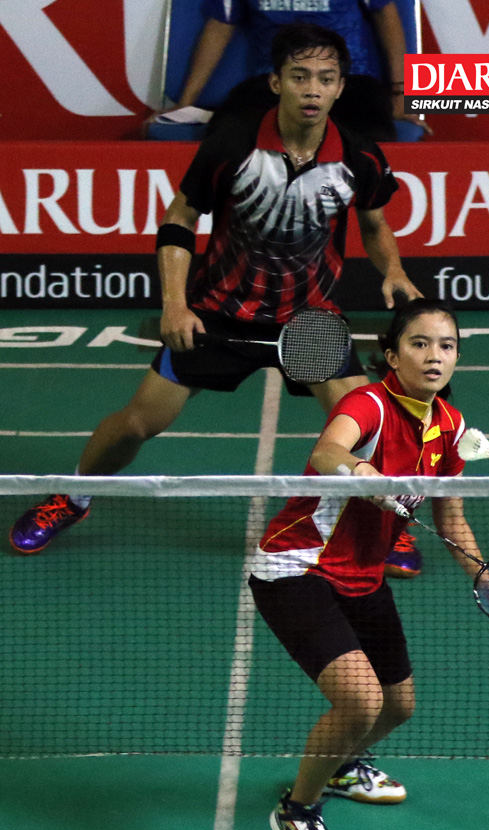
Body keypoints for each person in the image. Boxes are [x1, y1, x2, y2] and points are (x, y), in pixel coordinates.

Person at [10, 24, 423, 557]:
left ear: (341, 87)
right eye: (300, 76)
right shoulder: (232, 144)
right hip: (220, 314)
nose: (313, 90)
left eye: (326, 78)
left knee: (370, 429)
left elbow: (374, 224)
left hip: (309, 319)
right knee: (137, 424)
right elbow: (179, 219)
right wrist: (175, 305)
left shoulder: (359, 157)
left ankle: (385, 525)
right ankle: (72, 496)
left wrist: (393, 270)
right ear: (276, 82)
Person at [248, 299, 489, 830]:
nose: (434, 355)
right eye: (419, 344)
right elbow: (327, 450)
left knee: (398, 706)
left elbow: (450, 517)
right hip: (298, 567)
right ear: (393, 356)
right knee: (360, 701)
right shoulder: (367, 404)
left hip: (363, 576)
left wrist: (484, 576)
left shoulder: (450, 427)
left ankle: (340, 767)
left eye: (446, 345)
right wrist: (358, 469)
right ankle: (297, 811)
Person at [149, 0, 431, 140]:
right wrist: (185, 103)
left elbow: (387, 17)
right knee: (225, 133)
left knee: (367, 137)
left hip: (345, 81)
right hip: (274, 81)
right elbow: (220, 27)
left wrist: (401, 96)